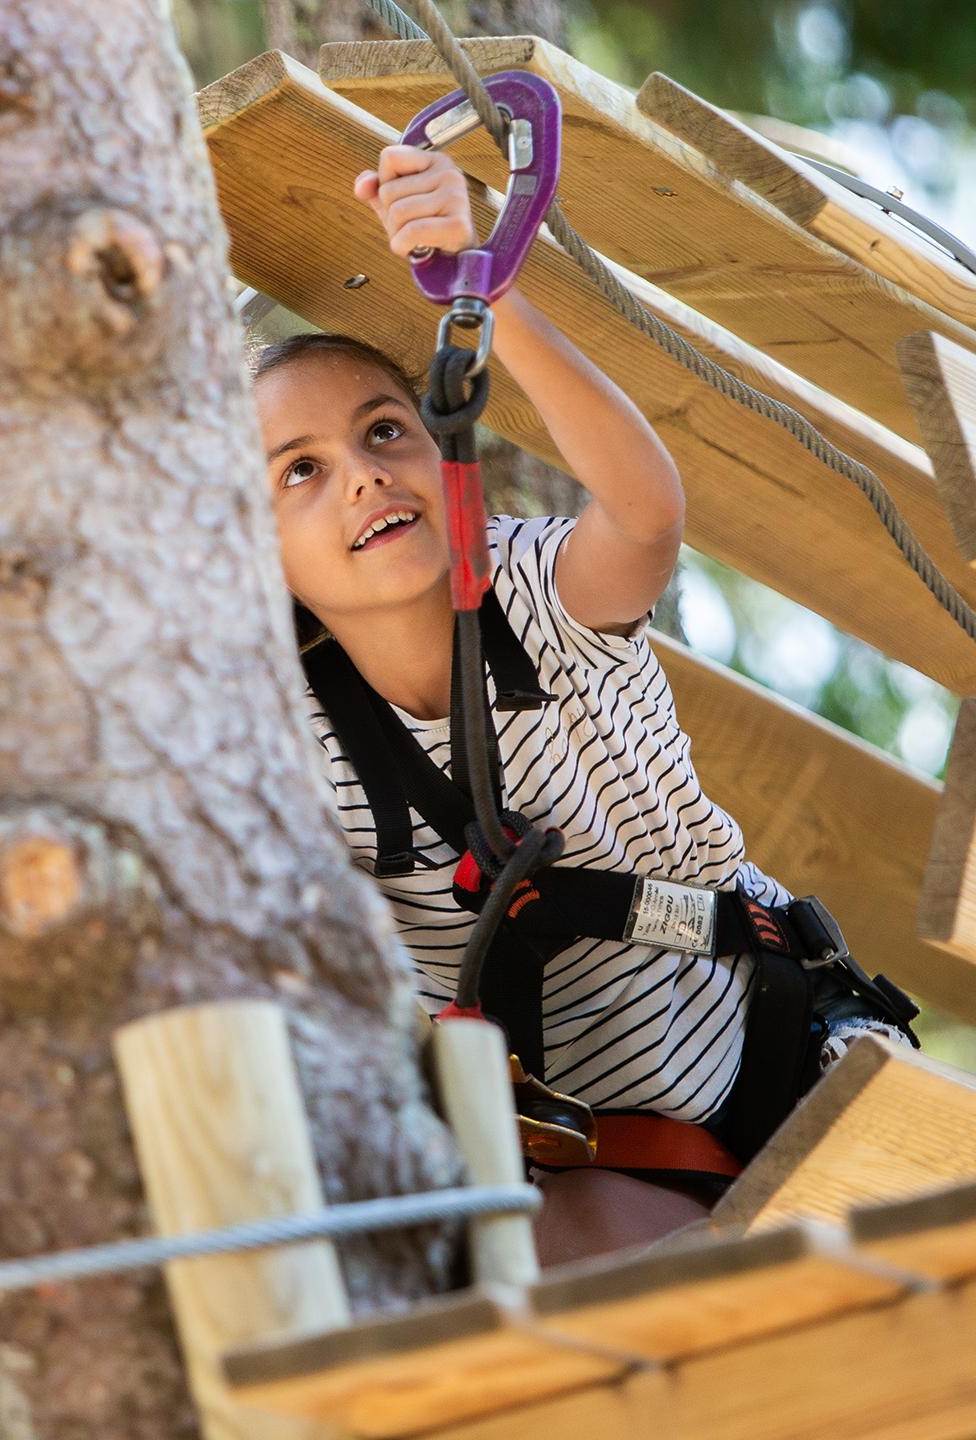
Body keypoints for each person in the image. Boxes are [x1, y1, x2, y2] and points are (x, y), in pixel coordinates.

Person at [254, 144, 915, 1266]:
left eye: (382, 431)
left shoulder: (534, 590)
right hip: (606, 1144)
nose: (363, 475)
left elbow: (646, 515)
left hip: (781, 1048)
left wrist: (484, 284)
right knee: (584, 1292)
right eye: (298, 471)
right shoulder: (297, 740)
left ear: (440, 445)